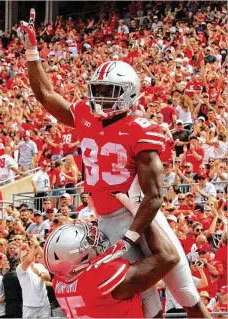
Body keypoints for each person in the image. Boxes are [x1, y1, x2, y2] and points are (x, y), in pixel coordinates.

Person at [18, 8, 209, 318]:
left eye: (110, 91)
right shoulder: (86, 116)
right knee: (144, 306)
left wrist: (131, 237)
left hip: (137, 218)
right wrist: (31, 51)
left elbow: (154, 197)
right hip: (106, 222)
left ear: (129, 94)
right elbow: (45, 93)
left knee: (184, 291)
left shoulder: (141, 129)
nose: (102, 98)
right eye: (99, 90)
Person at [44, 222, 180, 317]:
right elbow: (169, 257)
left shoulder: (59, 282)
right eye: (89, 242)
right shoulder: (100, 277)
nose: (95, 240)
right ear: (80, 256)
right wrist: (142, 214)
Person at [16, 235, 51, 318]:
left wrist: (39, 274)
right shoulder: (20, 268)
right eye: (25, 255)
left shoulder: (39, 266)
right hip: (29, 307)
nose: (28, 256)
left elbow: (48, 277)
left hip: (44, 305)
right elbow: (28, 260)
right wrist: (34, 245)